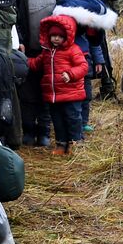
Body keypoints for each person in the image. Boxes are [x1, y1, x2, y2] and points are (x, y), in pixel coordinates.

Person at [13, 0, 73, 146]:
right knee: (28, 92)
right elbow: (17, 19)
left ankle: (45, 130)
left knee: (48, 92)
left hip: (53, 53)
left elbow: (67, 22)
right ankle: (29, 129)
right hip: (29, 50)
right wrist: (20, 41)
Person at [28, 15, 88, 155]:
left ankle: (75, 143)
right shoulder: (47, 52)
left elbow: (83, 66)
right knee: (58, 122)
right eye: (53, 35)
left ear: (66, 36)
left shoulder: (73, 50)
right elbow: (36, 63)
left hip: (71, 94)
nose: (56, 38)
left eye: (59, 36)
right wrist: (23, 61)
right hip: (54, 96)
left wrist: (70, 74)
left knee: (73, 119)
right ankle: (61, 144)